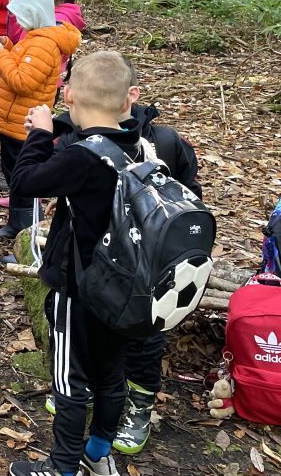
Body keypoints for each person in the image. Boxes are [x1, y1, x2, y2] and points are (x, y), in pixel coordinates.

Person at [51, 56, 202, 455]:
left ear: (133, 95)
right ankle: (83, 397)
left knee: (144, 342)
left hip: (150, 269)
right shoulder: (77, 136)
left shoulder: (166, 142)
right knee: (94, 338)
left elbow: (189, 200)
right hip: (96, 268)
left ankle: (140, 405)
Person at [7, 51, 138, 476]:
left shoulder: (82, 158)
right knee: (110, 373)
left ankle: (64, 471)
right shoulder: (138, 144)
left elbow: (26, 182)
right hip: (124, 290)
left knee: (69, 379)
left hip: (79, 288)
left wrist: (42, 134)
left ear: (68, 95)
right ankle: (100, 454)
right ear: (128, 102)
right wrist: (62, 126)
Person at [0, 0, 82, 241]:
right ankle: (17, 225)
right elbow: (22, 65)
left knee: (24, 178)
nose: (17, 21)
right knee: (15, 176)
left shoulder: (43, 44)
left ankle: (27, 231)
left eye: (20, 15)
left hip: (23, 125)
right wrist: (7, 47)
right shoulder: (34, 38)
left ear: (34, 13)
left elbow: (23, 81)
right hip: (14, 121)